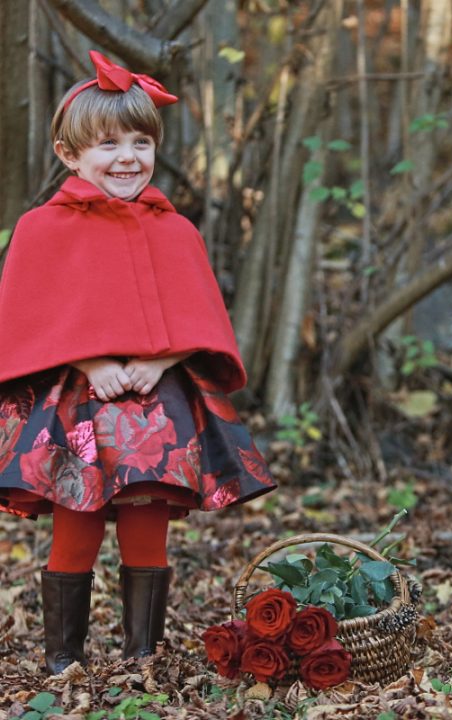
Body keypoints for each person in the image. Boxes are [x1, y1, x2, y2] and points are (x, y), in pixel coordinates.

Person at [0, 51, 276, 673]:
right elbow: (29, 314)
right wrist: (92, 361)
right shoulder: (43, 228)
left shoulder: (173, 229)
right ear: (70, 155)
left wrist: (165, 359)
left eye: (140, 142)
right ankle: (62, 658)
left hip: (156, 408)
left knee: (147, 519)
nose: (128, 157)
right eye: (107, 145)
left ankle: (141, 655)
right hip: (81, 409)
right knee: (79, 516)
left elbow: (200, 312)